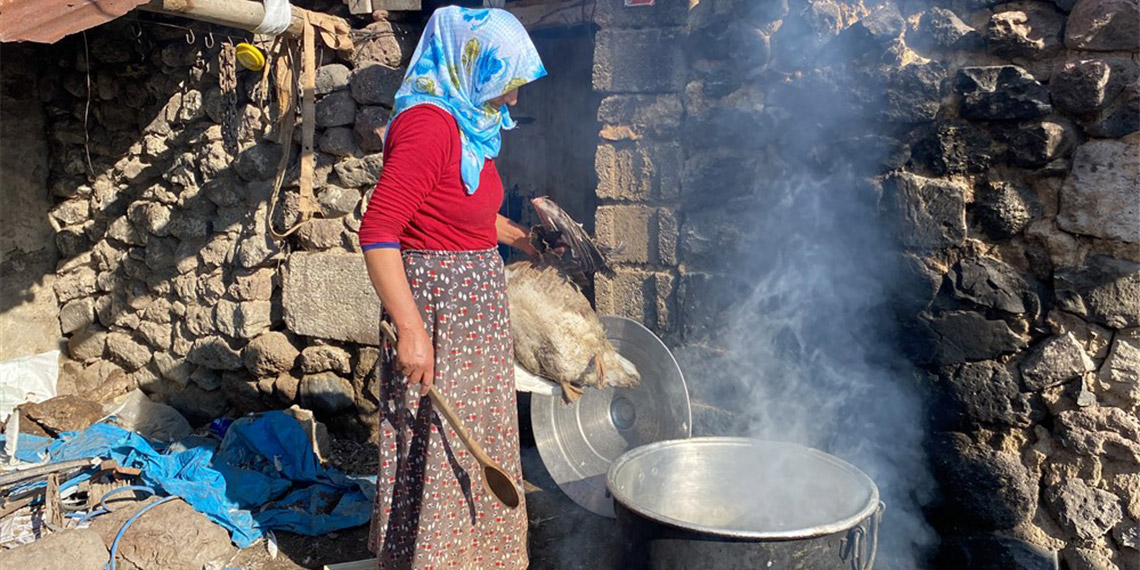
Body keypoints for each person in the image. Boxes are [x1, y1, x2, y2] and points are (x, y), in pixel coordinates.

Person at [357, 6, 545, 569]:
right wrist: (411, 329)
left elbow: (464, 214)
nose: (512, 100)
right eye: (506, 84)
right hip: (438, 308)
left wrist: (528, 241)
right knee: (438, 441)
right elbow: (379, 230)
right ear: (473, 64)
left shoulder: (468, 125)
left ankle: (473, 556)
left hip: (474, 308)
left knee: (474, 438)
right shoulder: (428, 125)